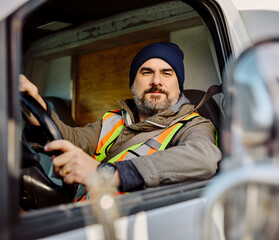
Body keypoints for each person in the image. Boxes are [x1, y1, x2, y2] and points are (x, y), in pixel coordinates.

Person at [20, 42, 221, 200]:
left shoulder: (195, 124)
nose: (156, 81)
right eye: (147, 72)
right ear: (133, 83)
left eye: (167, 73)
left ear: (179, 86)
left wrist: (107, 173)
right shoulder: (112, 119)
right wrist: (35, 108)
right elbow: (71, 139)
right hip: (82, 215)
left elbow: (204, 157)